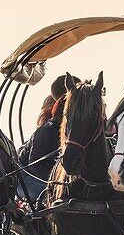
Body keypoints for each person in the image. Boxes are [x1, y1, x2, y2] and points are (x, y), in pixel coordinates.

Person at [19, 75, 81, 203]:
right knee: (64, 196)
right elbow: (34, 163)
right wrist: (56, 181)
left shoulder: (78, 132)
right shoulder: (50, 128)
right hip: (28, 179)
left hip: (56, 179)